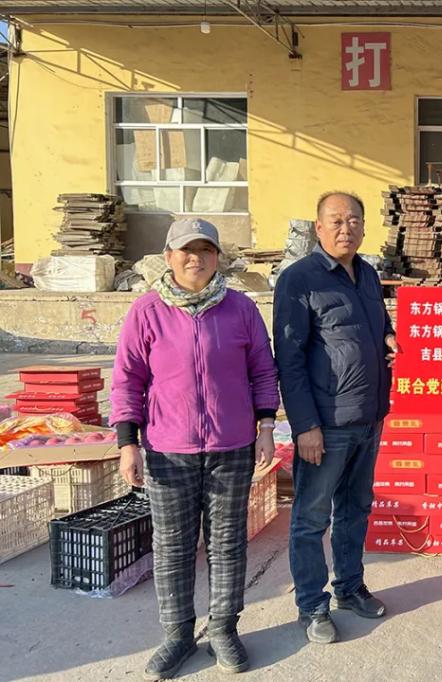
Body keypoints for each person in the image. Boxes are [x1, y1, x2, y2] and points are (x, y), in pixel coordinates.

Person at [111, 218, 279, 679]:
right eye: (187, 250)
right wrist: (128, 443)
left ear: (217, 258)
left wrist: (266, 425)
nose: (196, 259)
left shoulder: (241, 308)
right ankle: (178, 635)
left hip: (232, 447)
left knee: (227, 544)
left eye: (206, 250)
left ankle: (223, 629)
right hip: (168, 450)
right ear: (169, 257)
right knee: (173, 547)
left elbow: (263, 370)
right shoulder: (147, 311)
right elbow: (127, 379)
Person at [273, 191, 399, 645]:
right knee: (311, 518)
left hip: (369, 415)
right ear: (319, 227)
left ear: (364, 226)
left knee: (355, 509)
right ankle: (311, 605)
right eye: (337, 220)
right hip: (325, 423)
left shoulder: (366, 273)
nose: (346, 228)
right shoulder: (299, 279)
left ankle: (349, 587)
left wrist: (389, 338)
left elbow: (376, 324)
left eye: (354, 220)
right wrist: (304, 425)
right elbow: (289, 359)